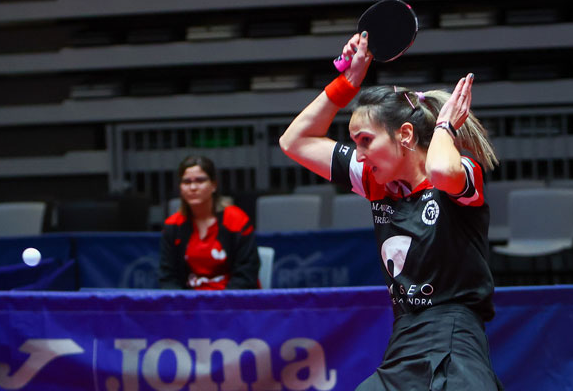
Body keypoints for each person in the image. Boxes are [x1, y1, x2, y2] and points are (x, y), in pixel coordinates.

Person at [279, 32, 503, 390]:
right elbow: (295, 142)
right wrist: (346, 84)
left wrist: (444, 127)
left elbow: (442, 172)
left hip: (453, 340)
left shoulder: (460, 171)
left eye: (366, 140)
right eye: (355, 143)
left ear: (405, 135)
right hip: (404, 340)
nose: (359, 153)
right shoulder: (376, 181)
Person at [160, 155, 260, 290]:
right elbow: (167, 277)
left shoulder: (237, 220)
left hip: (231, 302)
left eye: (200, 180)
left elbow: (247, 274)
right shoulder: (172, 226)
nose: (193, 187)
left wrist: (220, 303)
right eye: (187, 182)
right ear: (180, 188)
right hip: (190, 304)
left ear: (213, 185)